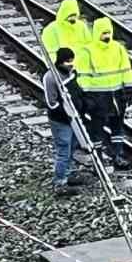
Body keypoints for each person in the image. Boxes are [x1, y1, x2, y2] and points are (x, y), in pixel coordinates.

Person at [77, 17, 132, 166]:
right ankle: (98, 158)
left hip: (116, 96)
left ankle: (118, 155)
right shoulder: (87, 51)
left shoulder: (118, 48)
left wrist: (129, 88)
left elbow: (126, 70)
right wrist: (86, 96)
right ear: (97, 33)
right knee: (97, 129)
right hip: (98, 97)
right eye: (103, 33)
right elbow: (82, 76)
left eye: (108, 32)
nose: (107, 36)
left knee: (117, 127)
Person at [42, 46, 84, 194]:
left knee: (72, 147)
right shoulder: (50, 77)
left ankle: (68, 174)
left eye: (72, 61)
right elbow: (51, 103)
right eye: (68, 61)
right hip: (61, 121)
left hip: (74, 118)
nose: (71, 64)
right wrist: (66, 113)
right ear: (61, 61)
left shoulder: (71, 73)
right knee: (64, 150)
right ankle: (59, 182)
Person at [41, 0, 91, 64]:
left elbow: (89, 43)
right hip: (63, 62)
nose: (73, 18)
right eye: (70, 15)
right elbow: (50, 51)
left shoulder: (81, 26)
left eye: (75, 15)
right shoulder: (51, 28)